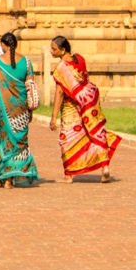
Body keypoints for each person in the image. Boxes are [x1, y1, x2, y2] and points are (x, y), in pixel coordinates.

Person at [47, 36, 119, 183]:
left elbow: (60, 92)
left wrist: (54, 116)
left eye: (54, 49)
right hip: (88, 103)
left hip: (72, 106)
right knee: (94, 133)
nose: (51, 51)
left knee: (66, 138)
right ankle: (104, 167)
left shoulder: (61, 68)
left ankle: (69, 175)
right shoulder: (80, 59)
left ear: (63, 50)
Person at [0, 31, 39, 187]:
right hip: (20, 111)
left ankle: (3, 177)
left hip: (0, 111)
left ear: (3, 45)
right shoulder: (26, 62)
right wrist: (30, 111)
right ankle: (11, 177)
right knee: (17, 143)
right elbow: (29, 88)